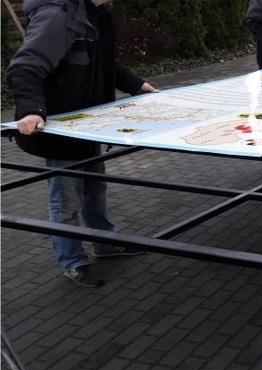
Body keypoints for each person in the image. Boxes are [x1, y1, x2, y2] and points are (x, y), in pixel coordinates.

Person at [7, 0, 159, 287]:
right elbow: (26, 66)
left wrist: (138, 85)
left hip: (89, 128)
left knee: (95, 191)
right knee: (66, 201)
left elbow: (106, 64)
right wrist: (31, 109)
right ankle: (73, 261)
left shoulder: (97, 15)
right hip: (60, 133)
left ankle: (105, 243)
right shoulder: (57, 15)